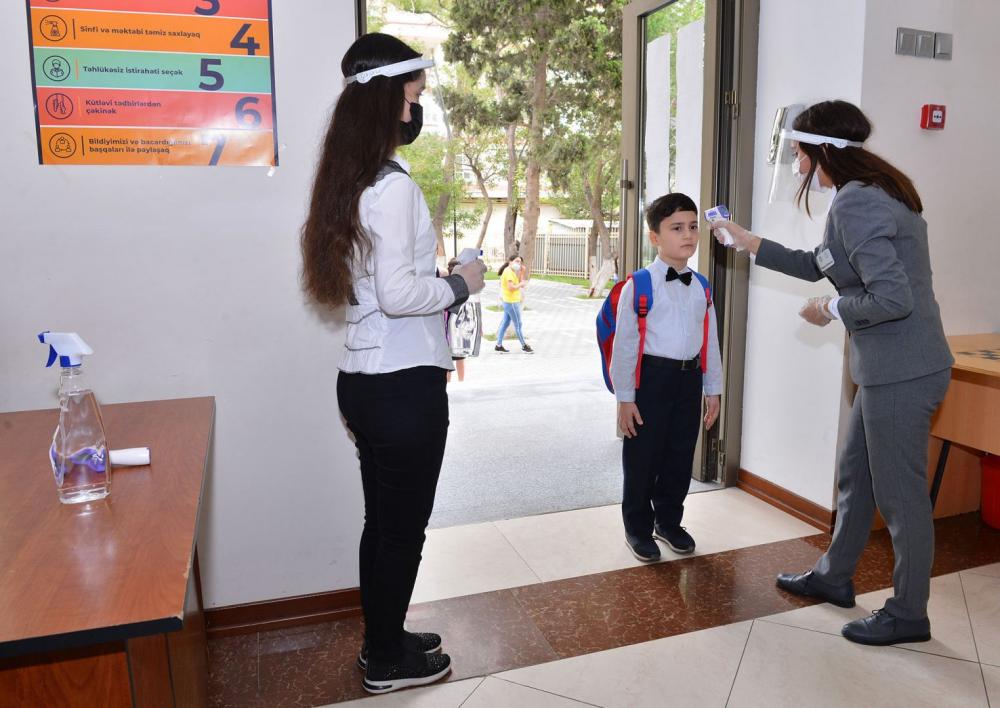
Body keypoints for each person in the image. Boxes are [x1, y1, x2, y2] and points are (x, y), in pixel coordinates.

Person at [712, 100, 953, 646]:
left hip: (903, 370)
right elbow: (819, 263)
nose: (797, 164)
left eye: (799, 153)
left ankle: (908, 613)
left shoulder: (858, 202)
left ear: (823, 150)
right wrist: (749, 242)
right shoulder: (863, 193)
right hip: (890, 368)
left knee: (900, 497)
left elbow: (892, 298)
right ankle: (834, 575)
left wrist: (830, 308)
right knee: (856, 476)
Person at [300, 33, 486, 694]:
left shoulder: (351, 180)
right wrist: (461, 283)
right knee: (402, 533)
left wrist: (436, 280)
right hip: (403, 390)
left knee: (382, 525)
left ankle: (383, 637)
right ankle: (385, 660)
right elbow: (399, 295)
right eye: (413, 98)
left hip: (363, 383)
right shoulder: (393, 186)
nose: (416, 111)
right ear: (387, 102)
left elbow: (380, 286)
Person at [612, 193, 722, 562]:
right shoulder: (640, 284)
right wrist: (625, 399)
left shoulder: (702, 286)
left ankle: (669, 522)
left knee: (679, 455)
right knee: (642, 458)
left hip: (689, 380)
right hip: (651, 381)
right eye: (676, 228)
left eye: (692, 227)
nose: (687, 235)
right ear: (654, 237)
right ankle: (637, 528)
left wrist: (713, 389)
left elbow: (710, 341)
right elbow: (625, 346)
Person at [495, 254, 534, 354]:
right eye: (516, 261)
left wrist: (522, 272)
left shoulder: (511, 271)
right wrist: (521, 284)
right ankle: (524, 346)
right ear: (510, 261)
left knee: (506, 323)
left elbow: (520, 282)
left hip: (510, 301)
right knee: (518, 324)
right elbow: (511, 287)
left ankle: (498, 345)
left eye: (520, 262)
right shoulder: (508, 272)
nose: (518, 263)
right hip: (511, 302)